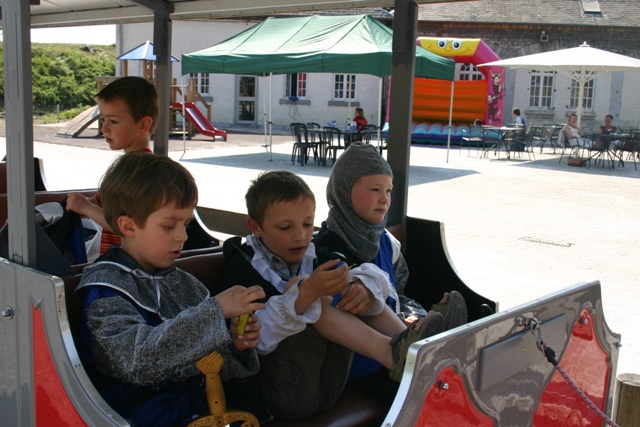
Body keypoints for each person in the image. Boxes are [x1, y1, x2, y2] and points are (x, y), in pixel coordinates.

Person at [222, 170, 445, 422]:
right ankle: (393, 355)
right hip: (283, 396)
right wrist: (305, 295)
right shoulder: (242, 268)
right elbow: (252, 339)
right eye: (286, 227)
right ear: (255, 227)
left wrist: (363, 288)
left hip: (329, 380)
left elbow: (353, 272)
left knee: (350, 283)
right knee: (306, 287)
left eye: (308, 224)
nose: (301, 236)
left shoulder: (316, 253)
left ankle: (416, 349)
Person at [75, 153, 266, 427]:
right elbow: (135, 360)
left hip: (200, 411)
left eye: (186, 224)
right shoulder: (105, 288)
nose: (183, 236)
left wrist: (235, 345)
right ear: (128, 226)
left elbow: (213, 366)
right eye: (169, 225)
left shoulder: (185, 284)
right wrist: (215, 313)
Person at [312, 142, 468, 402]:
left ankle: (430, 341)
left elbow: (399, 292)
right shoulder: (328, 247)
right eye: (374, 190)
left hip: (391, 346)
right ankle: (426, 348)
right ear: (343, 191)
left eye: (388, 190)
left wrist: (411, 314)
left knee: (450, 378)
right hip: (356, 359)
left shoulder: (386, 241)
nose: (384, 198)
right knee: (434, 389)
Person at [66, 76, 158, 254]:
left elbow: (127, 227)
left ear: (143, 124)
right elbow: (104, 204)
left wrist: (86, 207)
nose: (104, 128)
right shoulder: (128, 167)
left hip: (127, 267)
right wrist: (76, 203)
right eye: (103, 120)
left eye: (113, 121)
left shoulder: (140, 172)